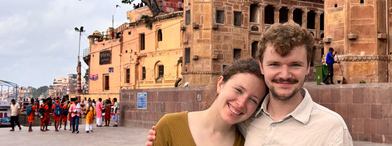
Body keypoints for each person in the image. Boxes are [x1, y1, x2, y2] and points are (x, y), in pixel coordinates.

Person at [148, 22, 353, 146]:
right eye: (274, 64)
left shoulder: (331, 128)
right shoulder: (247, 121)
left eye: (295, 65)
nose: (284, 74)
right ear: (262, 67)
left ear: (308, 67)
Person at [152, 58, 267, 146]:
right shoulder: (169, 126)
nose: (241, 103)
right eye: (238, 90)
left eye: (253, 100)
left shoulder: (246, 142)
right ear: (220, 84)